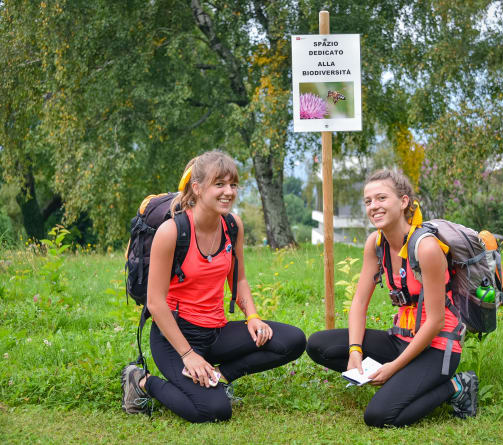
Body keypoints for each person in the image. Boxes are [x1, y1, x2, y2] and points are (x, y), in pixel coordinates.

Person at [121, 151, 306, 422]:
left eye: (232, 184)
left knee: (293, 340)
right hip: (175, 338)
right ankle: (141, 381)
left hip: (216, 332)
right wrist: (188, 355)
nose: (228, 192)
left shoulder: (232, 225)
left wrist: (252, 317)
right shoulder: (172, 232)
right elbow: (156, 303)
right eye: (219, 184)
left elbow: (239, 279)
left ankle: (217, 378)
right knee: (215, 410)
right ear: (197, 188)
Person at [306, 169, 478, 428]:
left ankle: (456, 385)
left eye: (381, 198)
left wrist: (394, 367)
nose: (374, 206)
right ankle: (403, 381)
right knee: (319, 344)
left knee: (379, 416)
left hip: (437, 348)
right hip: (400, 338)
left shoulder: (426, 248)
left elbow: (436, 321)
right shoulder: (376, 244)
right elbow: (359, 303)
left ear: (404, 202)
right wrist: (355, 351)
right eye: (368, 201)